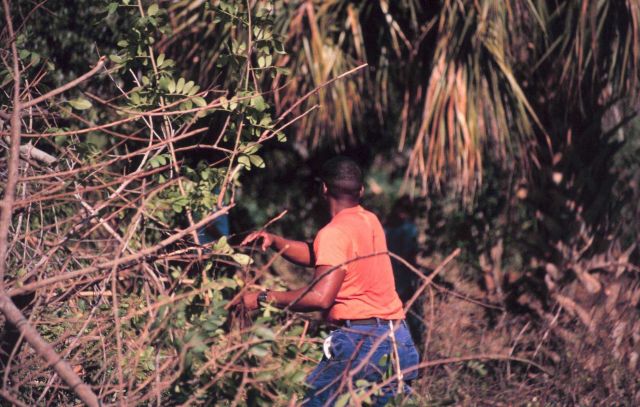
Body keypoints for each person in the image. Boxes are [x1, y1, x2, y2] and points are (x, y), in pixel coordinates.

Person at [241, 156, 419, 406]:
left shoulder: (334, 233)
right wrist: (276, 242)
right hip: (396, 338)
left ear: (323, 188)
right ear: (362, 190)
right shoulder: (370, 220)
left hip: (361, 343)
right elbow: (323, 255)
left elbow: (320, 296)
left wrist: (262, 298)